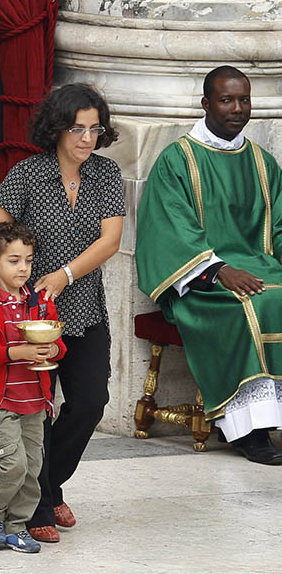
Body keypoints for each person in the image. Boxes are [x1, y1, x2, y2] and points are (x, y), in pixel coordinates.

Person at [0, 83, 125, 543]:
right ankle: (37, 507)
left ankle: (49, 485)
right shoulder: (27, 175)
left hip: (84, 308)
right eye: (78, 128)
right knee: (37, 409)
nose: (87, 138)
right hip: (29, 315)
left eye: (95, 129)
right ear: (57, 128)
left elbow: (110, 241)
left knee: (91, 402)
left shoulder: (106, 175)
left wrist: (64, 275)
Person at [136, 65, 282, 465]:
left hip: (261, 267)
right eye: (226, 100)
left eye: (245, 99)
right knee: (253, 303)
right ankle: (249, 430)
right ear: (205, 104)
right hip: (202, 280)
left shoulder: (263, 163)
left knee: (274, 295)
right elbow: (170, 231)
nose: (238, 108)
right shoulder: (177, 160)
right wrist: (219, 271)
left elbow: (280, 228)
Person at [0, 221, 66, 555]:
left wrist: (52, 349)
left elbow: (57, 341)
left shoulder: (39, 302)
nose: (23, 267)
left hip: (35, 399)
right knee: (14, 464)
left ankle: (17, 525)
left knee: (33, 467)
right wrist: (17, 352)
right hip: (0, 401)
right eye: (14, 260)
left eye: (27, 259)